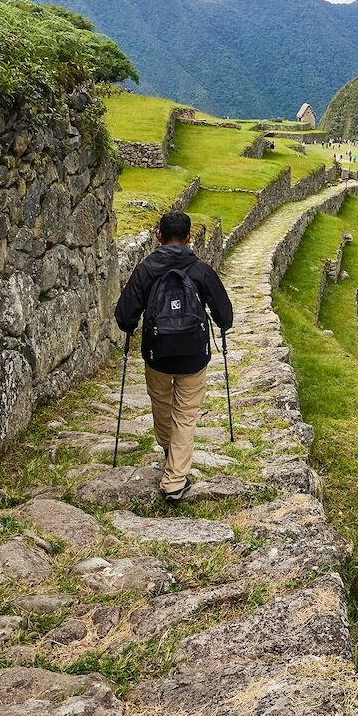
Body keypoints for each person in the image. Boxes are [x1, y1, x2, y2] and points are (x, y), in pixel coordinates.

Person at [113, 211, 234, 501]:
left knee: (162, 405)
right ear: (189, 237)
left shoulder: (146, 270)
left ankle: (170, 451)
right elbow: (225, 314)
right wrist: (222, 324)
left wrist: (132, 325)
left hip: (157, 355)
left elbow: (124, 316)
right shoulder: (200, 270)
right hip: (193, 357)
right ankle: (175, 480)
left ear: (159, 236)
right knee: (185, 414)